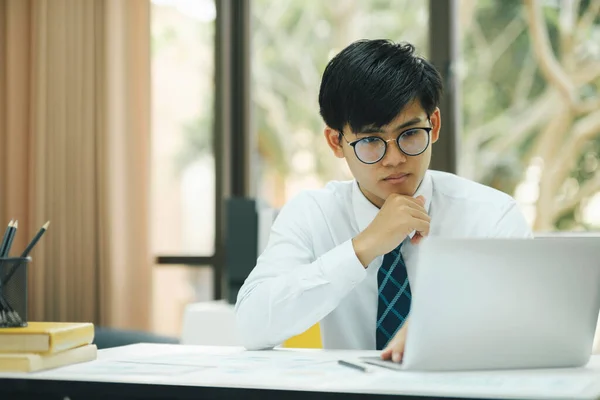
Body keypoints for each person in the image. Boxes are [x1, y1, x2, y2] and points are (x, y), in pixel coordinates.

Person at [234, 39, 532, 362]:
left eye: (410, 134)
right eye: (371, 140)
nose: (394, 159)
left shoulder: (491, 217)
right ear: (336, 142)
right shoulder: (312, 215)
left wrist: (444, 329)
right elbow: (251, 326)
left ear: (434, 125)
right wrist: (363, 247)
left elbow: (530, 324)